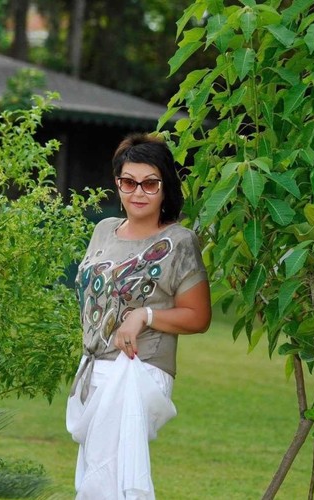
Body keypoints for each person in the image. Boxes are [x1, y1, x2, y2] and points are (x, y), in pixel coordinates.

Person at [66, 132, 211, 499]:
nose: (138, 192)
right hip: (94, 368)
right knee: (96, 476)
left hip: (138, 368)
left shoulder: (179, 241)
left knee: (106, 481)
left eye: (150, 183)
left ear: (165, 187)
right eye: (129, 182)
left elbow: (198, 317)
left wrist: (144, 315)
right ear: (118, 184)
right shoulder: (103, 230)